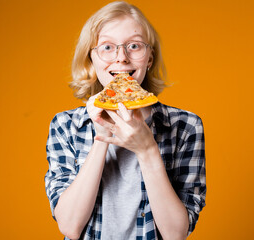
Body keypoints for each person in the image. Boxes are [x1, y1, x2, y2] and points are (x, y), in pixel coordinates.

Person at [44, 1, 206, 240]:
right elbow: (70, 226)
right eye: (107, 47)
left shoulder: (185, 126)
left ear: (149, 58)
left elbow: (176, 234)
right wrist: (103, 133)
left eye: (134, 46)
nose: (121, 58)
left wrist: (147, 148)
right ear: (91, 59)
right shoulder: (65, 125)